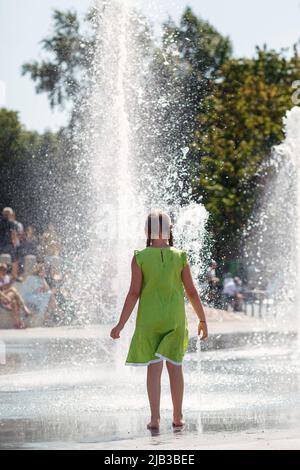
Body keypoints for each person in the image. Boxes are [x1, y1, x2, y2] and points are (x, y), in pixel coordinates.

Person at [110, 210, 208, 431]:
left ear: (146, 231)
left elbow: (133, 293)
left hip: (149, 320)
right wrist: (202, 319)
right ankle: (178, 416)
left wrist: (121, 324)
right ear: (170, 229)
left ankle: (155, 418)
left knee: (154, 369)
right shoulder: (180, 256)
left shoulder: (140, 257)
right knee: (175, 367)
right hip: (174, 319)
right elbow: (192, 292)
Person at [0, 263, 31, 329]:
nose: (4, 271)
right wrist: (6, 297)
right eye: (2, 269)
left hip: (7, 297)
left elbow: (21, 280)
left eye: (5, 270)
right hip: (2, 298)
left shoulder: (6, 277)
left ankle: (18, 323)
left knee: (14, 302)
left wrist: (12, 280)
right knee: (13, 289)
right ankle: (25, 309)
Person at [0, 207, 18, 280]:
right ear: (10, 214)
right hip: (9, 246)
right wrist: (14, 244)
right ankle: (14, 276)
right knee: (15, 260)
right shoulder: (11, 222)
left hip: (0, 245)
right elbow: (13, 234)